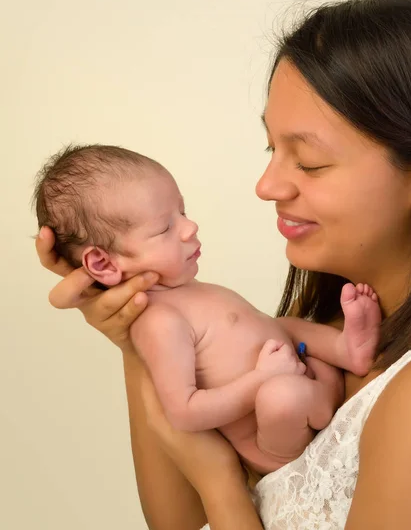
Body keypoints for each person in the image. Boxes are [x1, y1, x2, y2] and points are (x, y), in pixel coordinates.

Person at [36, 0, 411, 529]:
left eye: (310, 162)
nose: (267, 185)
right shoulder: (323, 329)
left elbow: (202, 501)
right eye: (271, 150)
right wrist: (139, 316)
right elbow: (174, 519)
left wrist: (223, 488)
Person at [33, 143, 381, 474]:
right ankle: (320, 392)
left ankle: (346, 350)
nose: (190, 227)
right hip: (273, 440)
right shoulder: (158, 321)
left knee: (286, 325)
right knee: (281, 395)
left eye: (182, 212)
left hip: (293, 373)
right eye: (165, 227)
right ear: (104, 263)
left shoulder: (184, 289)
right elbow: (185, 412)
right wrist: (262, 379)